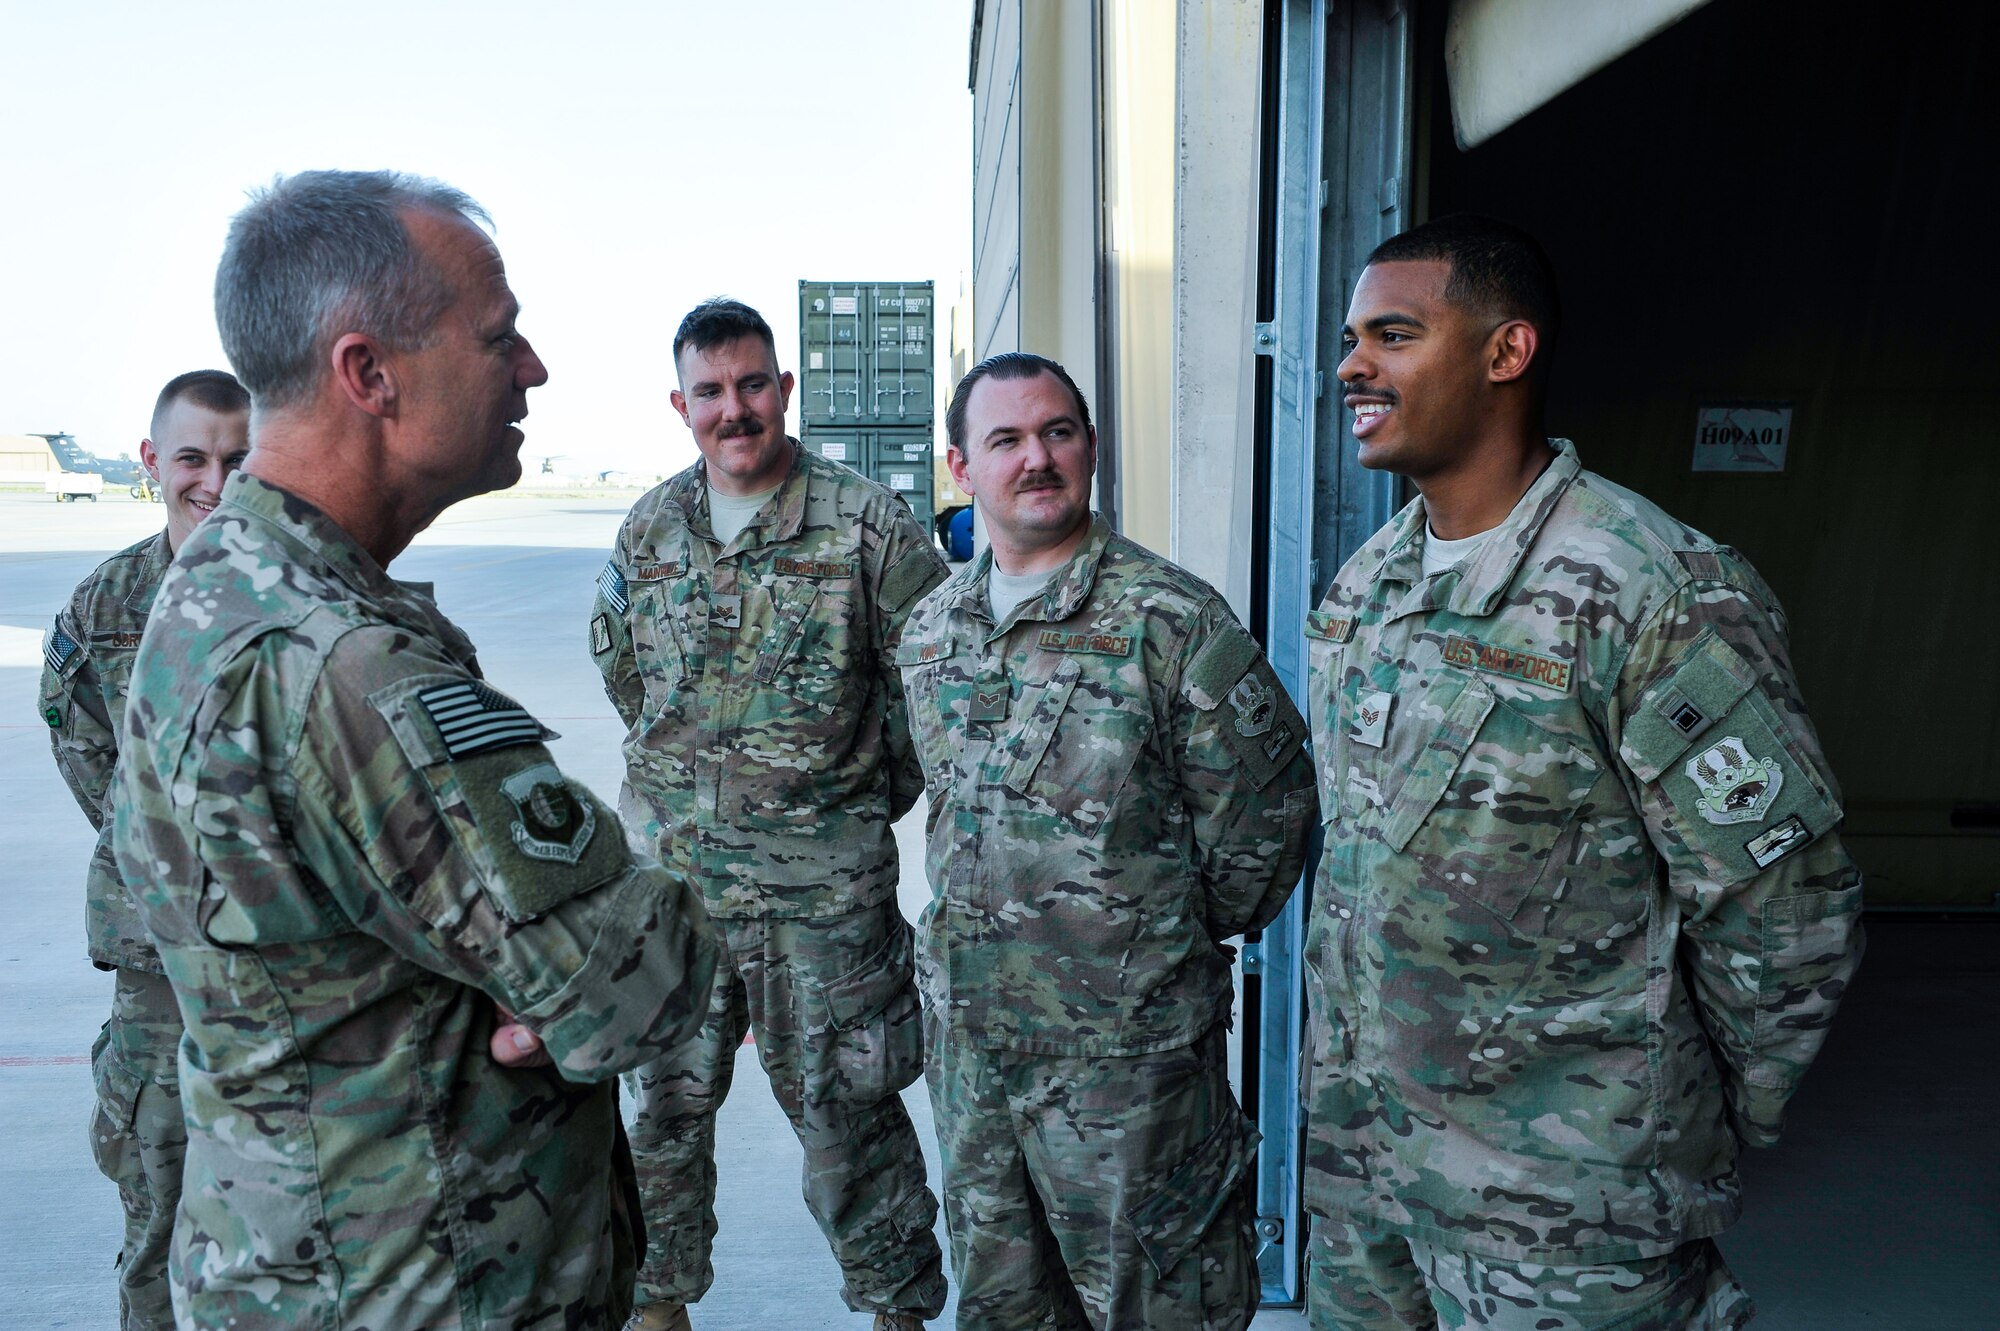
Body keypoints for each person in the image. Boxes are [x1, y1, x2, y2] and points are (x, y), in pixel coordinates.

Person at [109, 170, 718, 1331]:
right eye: (499, 336)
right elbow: (641, 983)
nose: (531, 367)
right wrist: (615, 937)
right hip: (424, 1285)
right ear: (369, 374)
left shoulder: (220, 588)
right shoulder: (344, 663)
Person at [1301, 213, 1865, 1330]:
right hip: (1366, 1170)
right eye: (1351, 336)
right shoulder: (1369, 585)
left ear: (1504, 353)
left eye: (1393, 334)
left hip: (1561, 1207)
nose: (1350, 364)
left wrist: (1682, 1117)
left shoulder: (1653, 589)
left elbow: (1786, 913)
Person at [896, 352, 1318, 1330]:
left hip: (1130, 1068)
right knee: (1003, 1304)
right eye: (1005, 439)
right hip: (977, 1058)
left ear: (1089, 447)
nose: (1036, 457)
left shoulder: (1168, 619)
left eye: (1059, 432)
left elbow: (1267, 816)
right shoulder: (929, 631)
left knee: (1156, 1305)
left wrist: (1145, 935)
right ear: (962, 466)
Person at [591, 298, 949, 1331]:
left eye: (752, 384)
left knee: (849, 1119)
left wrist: (849, 799)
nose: (733, 408)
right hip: (677, 894)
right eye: (710, 390)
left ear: (783, 389)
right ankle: (656, 1307)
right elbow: (622, 669)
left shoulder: (866, 523)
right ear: (680, 402)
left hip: (820, 900)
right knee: (656, 1112)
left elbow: (928, 684)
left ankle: (895, 1311)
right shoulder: (650, 527)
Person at [40, 369, 249, 1330]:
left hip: (290, 964)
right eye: (193, 458)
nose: (213, 479)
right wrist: (155, 857)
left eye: (239, 458)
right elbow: (79, 740)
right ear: (152, 462)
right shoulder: (108, 606)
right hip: (159, 969)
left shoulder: (311, 587)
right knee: (157, 1211)